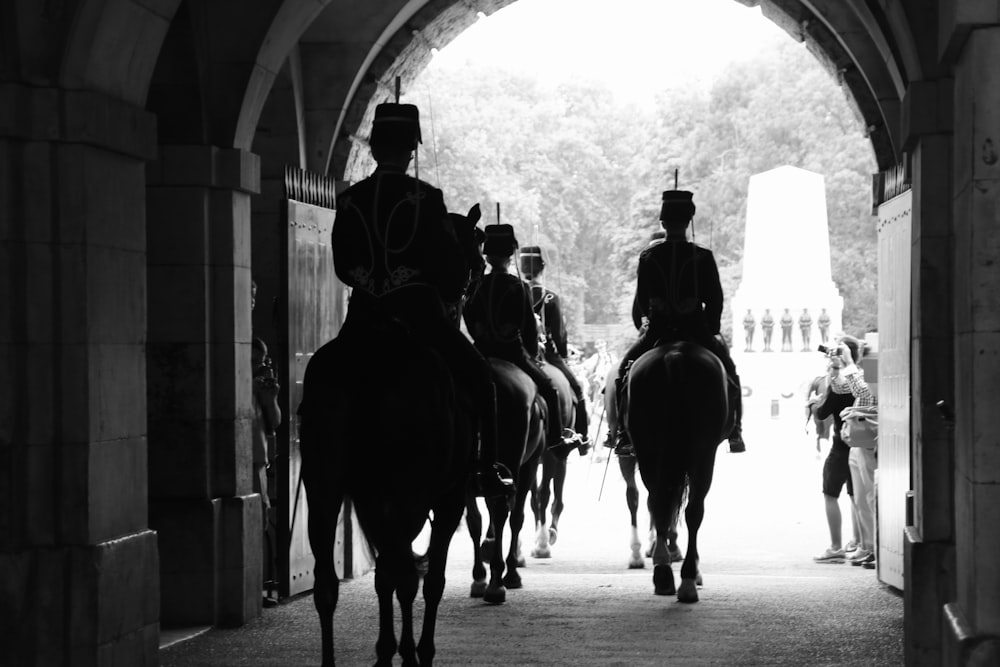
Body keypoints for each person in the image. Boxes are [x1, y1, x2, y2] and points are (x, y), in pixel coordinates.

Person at [321, 101, 512, 498]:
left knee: (325, 375)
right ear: (411, 150)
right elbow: (449, 268)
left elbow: (343, 264)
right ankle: (485, 467)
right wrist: (434, 288)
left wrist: (373, 282)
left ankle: (320, 466)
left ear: (373, 149)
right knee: (480, 378)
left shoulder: (352, 198)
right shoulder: (425, 197)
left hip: (363, 321)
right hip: (420, 320)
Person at [614, 189, 746, 454]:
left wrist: (648, 324)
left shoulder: (648, 257)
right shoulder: (703, 256)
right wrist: (711, 329)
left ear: (663, 223)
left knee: (624, 372)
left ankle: (622, 433)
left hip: (658, 331)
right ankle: (735, 431)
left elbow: (641, 300)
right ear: (689, 221)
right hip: (696, 329)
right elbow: (715, 299)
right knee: (729, 371)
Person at [463, 226, 576, 455]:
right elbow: (528, 328)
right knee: (549, 388)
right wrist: (532, 354)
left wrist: (481, 336)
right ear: (509, 254)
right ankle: (555, 439)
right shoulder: (518, 286)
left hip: (481, 351)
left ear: (487, 254)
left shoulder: (475, 285)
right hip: (512, 352)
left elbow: (468, 315)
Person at [520, 245, 589, 452]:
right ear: (543, 268)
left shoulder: (518, 290)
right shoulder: (550, 297)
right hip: (547, 354)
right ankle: (582, 437)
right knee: (576, 388)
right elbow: (559, 334)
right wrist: (564, 354)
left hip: (520, 350)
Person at [810, 337, 866, 564]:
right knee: (857, 496)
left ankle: (835, 546)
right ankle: (859, 541)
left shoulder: (840, 385)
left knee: (830, 492)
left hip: (841, 445)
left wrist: (814, 403)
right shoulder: (862, 379)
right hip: (861, 442)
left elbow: (822, 413)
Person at [834, 335, 878, 569]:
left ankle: (876, 548)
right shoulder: (862, 367)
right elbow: (842, 387)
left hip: (868, 437)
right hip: (857, 437)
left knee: (870, 494)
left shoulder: (874, 364)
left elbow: (865, 390)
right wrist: (836, 367)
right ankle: (868, 545)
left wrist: (850, 362)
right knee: (861, 497)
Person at [252, 334, 281, 606]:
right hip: (245, 461)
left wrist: (270, 399)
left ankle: (255, 587)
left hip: (259, 461)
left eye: (262, 363)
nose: (260, 369)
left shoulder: (258, 388)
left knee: (260, 524)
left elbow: (274, 423)